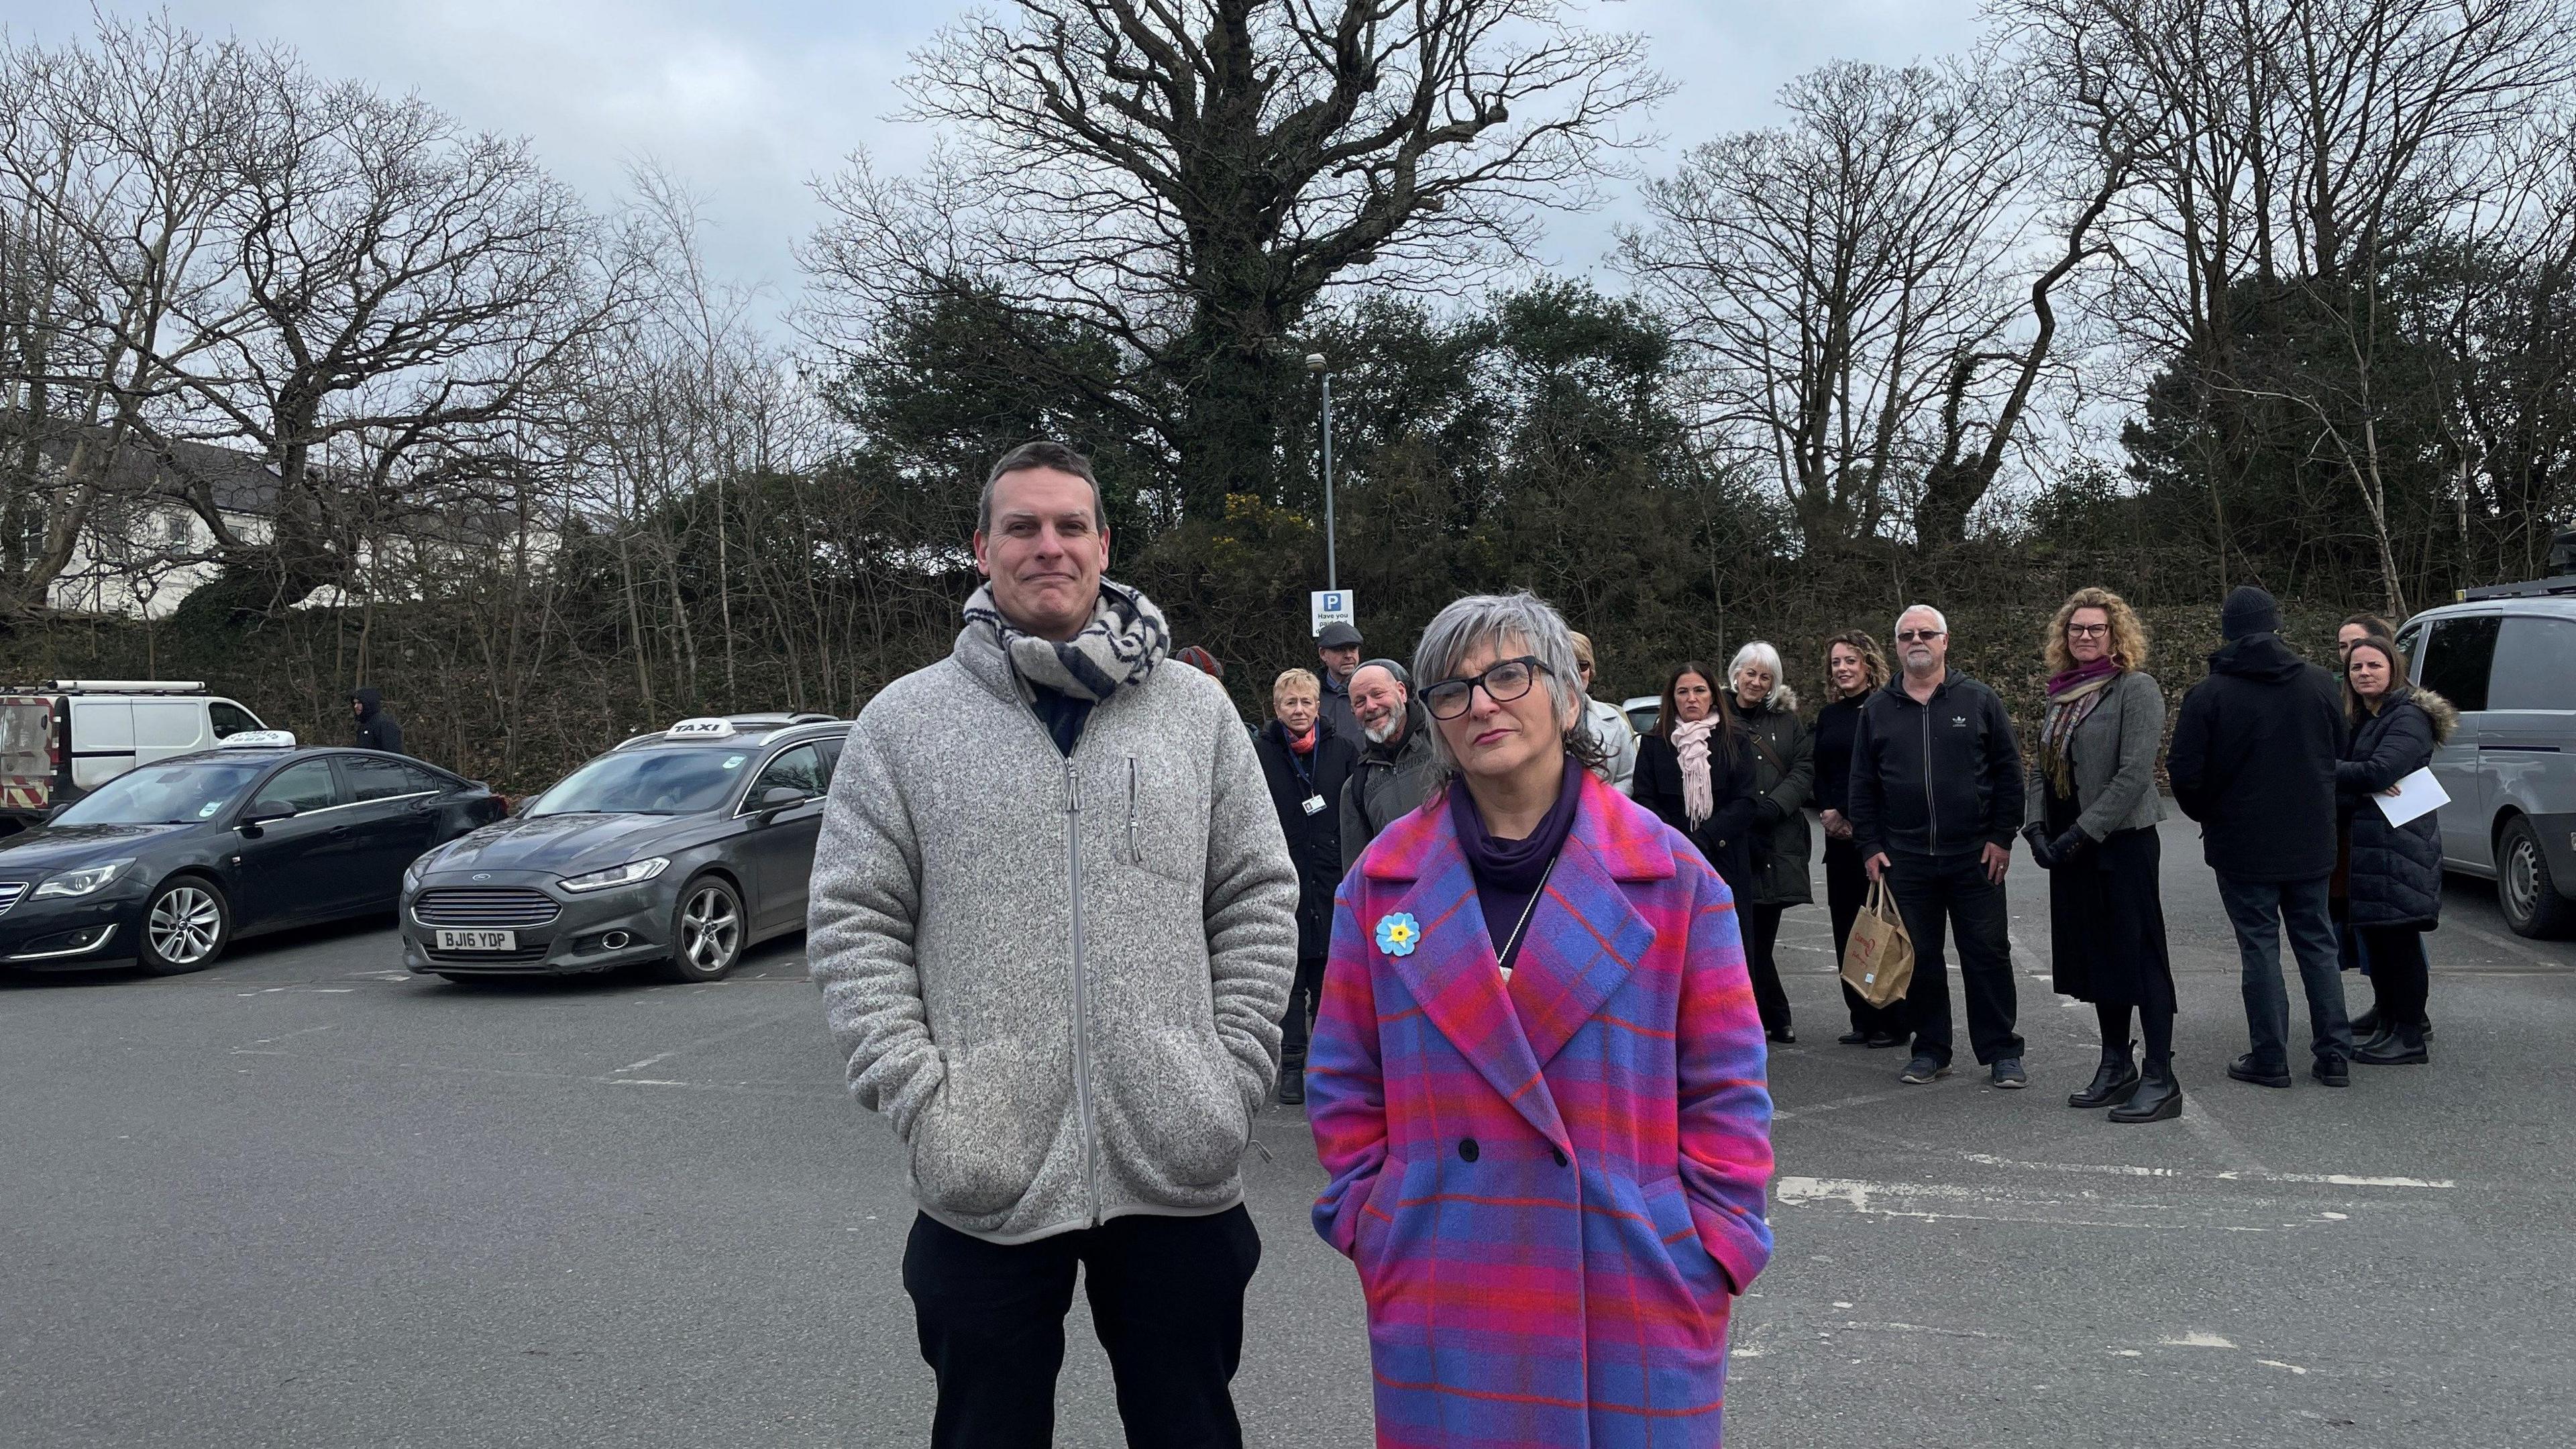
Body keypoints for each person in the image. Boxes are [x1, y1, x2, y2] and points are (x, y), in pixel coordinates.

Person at [806, 439, 1299, 1449]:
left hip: (1178, 1165)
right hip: (984, 1173)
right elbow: (854, 919)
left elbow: (1255, 893)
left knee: (1192, 1431)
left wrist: (1232, 1070)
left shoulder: (1194, 711)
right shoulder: (906, 723)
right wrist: (921, 1094)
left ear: (1104, 545)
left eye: (1071, 526)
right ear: (980, 548)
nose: (1049, 546)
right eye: (1022, 527)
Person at [1305, 590, 1774, 1447]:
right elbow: (1342, 1077)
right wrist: (1375, 1222)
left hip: (1633, 1282)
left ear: (1566, 697)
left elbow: (1729, 1089)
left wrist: (1715, 1247)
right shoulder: (1381, 883)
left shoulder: (1673, 879)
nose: (1481, 702)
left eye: (1508, 675)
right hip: (1447, 1282)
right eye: (1451, 689)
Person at [2167, 585, 2356, 1089]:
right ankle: (2334, 1054)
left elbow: (2184, 773)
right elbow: (2337, 751)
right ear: (2276, 626)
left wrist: (2212, 815)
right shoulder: (2318, 684)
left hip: (2242, 842)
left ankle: (2271, 1056)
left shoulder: (2209, 694)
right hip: (2311, 839)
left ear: (2227, 631)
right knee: (2317, 943)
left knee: (2259, 947)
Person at [1847, 605, 2028, 1089]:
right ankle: (1930, 1049)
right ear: (1897, 646)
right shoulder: (1878, 711)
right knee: (1920, 958)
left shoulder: (1979, 699)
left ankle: (2001, 1051)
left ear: (1945, 641)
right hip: (1905, 859)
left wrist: (2001, 837)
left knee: (1987, 954)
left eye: (1926, 633)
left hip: (1975, 856)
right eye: (1907, 635)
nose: (1916, 641)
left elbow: (2010, 775)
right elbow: (1862, 785)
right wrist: (1869, 844)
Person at [2022, 589, 2181, 1123]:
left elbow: (2135, 774)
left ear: (2117, 636)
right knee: (2097, 956)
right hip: (2071, 846)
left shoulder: (2135, 689)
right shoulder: (2062, 694)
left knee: (2140, 956)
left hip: (2120, 844)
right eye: (2076, 629)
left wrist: (2080, 834)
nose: (2085, 637)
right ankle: (2116, 1065)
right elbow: (2042, 767)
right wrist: (2037, 827)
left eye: (2096, 629)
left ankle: (2161, 1076)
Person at [2337, 635, 2454, 1067]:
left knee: (2399, 942)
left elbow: (2381, 770)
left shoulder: (2408, 717)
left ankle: (2409, 1036)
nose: (2364, 673)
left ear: (2394, 670)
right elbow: (2364, 777)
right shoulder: (2367, 718)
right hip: (2373, 846)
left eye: (2374, 666)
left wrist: (2331, 771)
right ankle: (2388, 1024)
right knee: (2380, 941)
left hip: (2400, 847)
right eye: (2356, 668)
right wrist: (2359, 780)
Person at [1254, 668, 1361, 1106]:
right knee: (1291, 982)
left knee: (1330, 980)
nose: (1299, 711)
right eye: (1290, 704)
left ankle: (1329, 1067)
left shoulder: (1344, 752)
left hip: (1331, 878)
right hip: (1284, 879)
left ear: (1318, 706)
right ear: (1277, 709)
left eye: (1306, 703)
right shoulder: (1260, 754)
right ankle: (1292, 1066)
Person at [1815, 631, 1906, 1049]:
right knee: (1847, 930)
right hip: (1837, 839)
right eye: (1836, 662)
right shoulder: (1829, 716)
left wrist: (1857, 819)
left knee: (1886, 926)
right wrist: (1829, 810)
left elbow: (1888, 774)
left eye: (1851, 661)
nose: (1843, 669)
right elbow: (1820, 772)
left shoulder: (1887, 709)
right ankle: (1860, 1016)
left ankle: (1892, 1018)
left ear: (1869, 664)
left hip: (1879, 838)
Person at [1730, 641, 1813, 1046]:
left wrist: (1773, 807)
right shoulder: (1718, 716)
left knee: (1760, 935)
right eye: (1751, 673)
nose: (1756, 682)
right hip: (1734, 839)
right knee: (1742, 936)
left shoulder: (1787, 721)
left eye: (1765, 676)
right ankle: (1771, 1016)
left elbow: (1803, 769)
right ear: (1736, 673)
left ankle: (1768, 1016)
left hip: (1776, 839)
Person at [1633, 660, 1759, 906]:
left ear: (1713, 695)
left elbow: (1746, 801)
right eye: (1683, 692)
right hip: (1671, 859)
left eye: (1699, 690)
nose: (1692, 698)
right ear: (1673, 698)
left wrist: (1705, 839)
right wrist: (1678, 842)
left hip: (1725, 857)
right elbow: (1643, 799)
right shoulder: (1654, 743)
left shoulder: (1736, 739)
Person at [1339, 658, 1440, 871]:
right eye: (1360, 702)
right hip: (1402, 902)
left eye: (1377, 694)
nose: (1371, 706)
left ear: (1402, 692)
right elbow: (1357, 875)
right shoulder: (1356, 787)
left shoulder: (1446, 744)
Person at [1569, 630, 1640, 795]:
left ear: (1591, 671)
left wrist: (1602, 807)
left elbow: (1629, 777)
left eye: (1581, 666)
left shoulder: (1614, 719)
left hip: (1605, 816)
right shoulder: (1536, 720)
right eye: (1565, 665)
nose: (1573, 674)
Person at [1316, 621, 1365, 743]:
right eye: (1340, 649)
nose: (1348, 655)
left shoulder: (1372, 691)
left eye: (1353, 648)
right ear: (1323, 654)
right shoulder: (1310, 694)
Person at [350, 688, 405, 755]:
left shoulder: (385, 724)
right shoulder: (364, 725)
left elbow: (393, 755)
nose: (356, 706)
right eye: (355, 703)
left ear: (368, 703)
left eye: (359, 703)